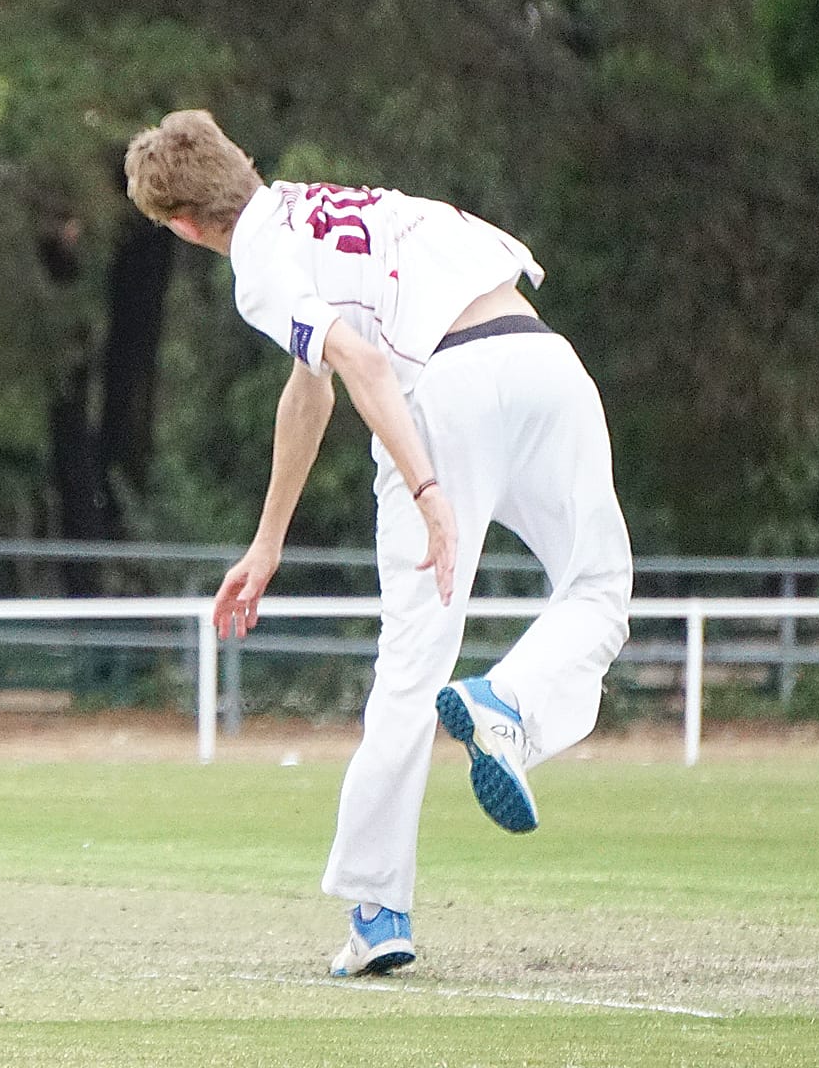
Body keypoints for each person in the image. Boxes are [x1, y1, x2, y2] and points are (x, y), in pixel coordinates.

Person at [124, 109, 633, 976]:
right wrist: (267, 542)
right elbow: (311, 387)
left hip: (443, 395)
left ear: (182, 226)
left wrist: (430, 489)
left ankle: (376, 911)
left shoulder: (258, 263)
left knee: (411, 670)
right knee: (599, 589)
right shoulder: (325, 207)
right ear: (241, 165)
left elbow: (359, 363)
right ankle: (509, 706)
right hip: (545, 363)